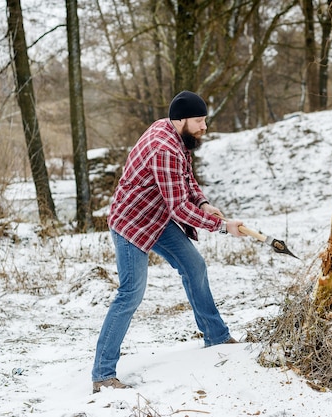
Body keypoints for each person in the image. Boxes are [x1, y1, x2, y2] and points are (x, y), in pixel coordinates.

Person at [91, 91, 245, 394]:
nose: (204, 126)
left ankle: (216, 336)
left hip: (157, 219)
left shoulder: (175, 135)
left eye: (204, 120)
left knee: (194, 266)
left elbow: (185, 178)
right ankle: (102, 374)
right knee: (130, 294)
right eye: (199, 121)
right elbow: (178, 209)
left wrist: (202, 202)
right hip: (132, 224)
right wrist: (223, 227)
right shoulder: (163, 147)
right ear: (182, 119)